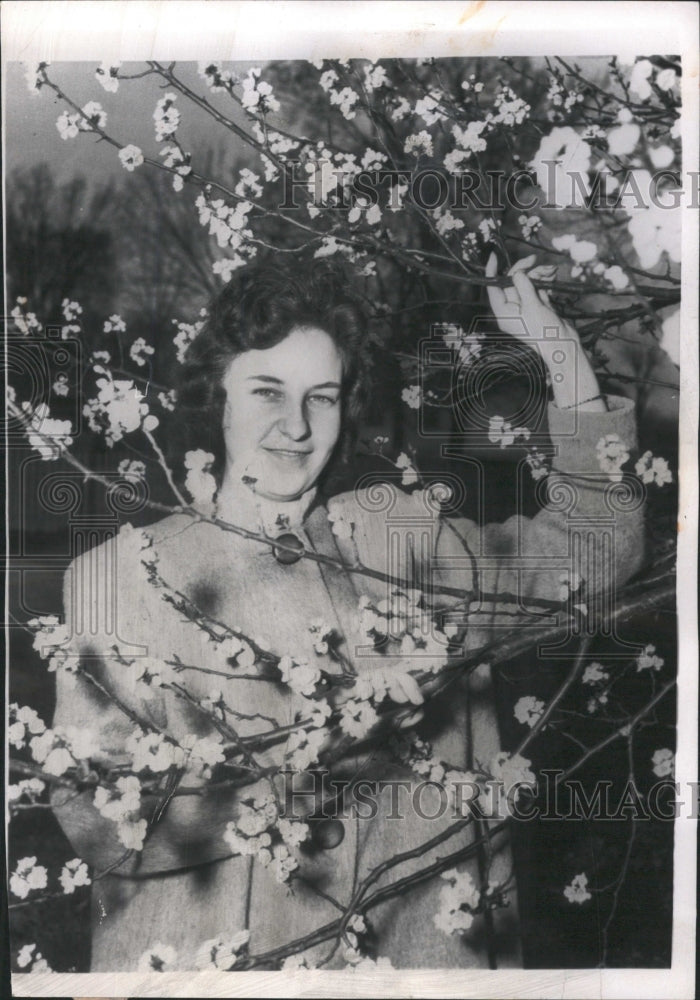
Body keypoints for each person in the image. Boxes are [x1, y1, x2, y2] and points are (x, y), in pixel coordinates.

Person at [51, 254, 644, 971]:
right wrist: (299, 771)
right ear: (220, 397)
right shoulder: (124, 575)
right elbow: (98, 821)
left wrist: (561, 357)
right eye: (267, 391)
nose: (294, 425)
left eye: (321, 397)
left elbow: (595, 551)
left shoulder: (408, 542)